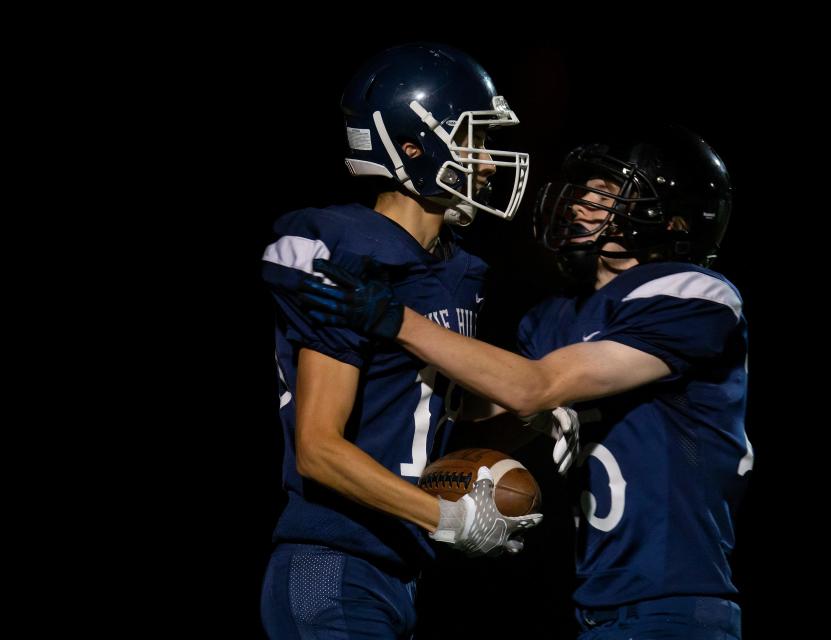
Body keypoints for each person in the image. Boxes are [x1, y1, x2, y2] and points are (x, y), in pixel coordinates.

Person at [291, 125, 754, 639]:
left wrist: (397, 320)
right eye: (582, 191)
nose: (580, 205)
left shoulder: (696, 296)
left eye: (605, 194)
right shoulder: (554, 318)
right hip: (593, 604)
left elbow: (535, 385)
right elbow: (494, 408)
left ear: (670, 218)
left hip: (677, 601)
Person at [258, 42, 541, 640]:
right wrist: (447, 518)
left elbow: (426, 406)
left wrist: (533, 412)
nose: (487, 161)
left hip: (399, 569)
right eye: (472, 140)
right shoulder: (351, 254)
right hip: (331, 559)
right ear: (412, 146)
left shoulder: (455, 270)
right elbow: (317, 447)